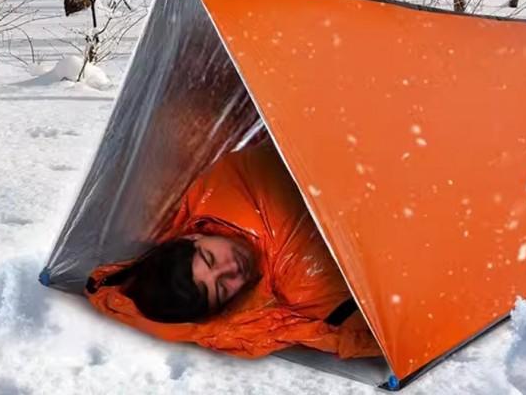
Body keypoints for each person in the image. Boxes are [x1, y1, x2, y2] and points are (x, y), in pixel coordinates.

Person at [86, 139, 380, 359]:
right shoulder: (303, 286)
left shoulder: (224, 183)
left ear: (191, 238)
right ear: (229, 303)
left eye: (211, 259)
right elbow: (375, 331)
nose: (231, 268)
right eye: (224, 286)